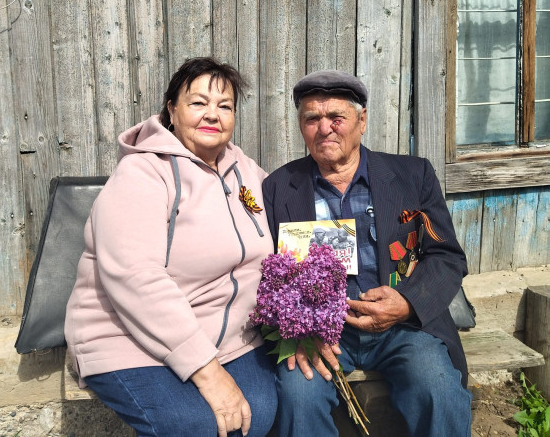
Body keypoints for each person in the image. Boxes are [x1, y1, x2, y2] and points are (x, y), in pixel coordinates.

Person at [65, 58, 277, 437]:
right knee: (192, 425)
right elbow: (136, 279)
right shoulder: (142, 173)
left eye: (224, 106)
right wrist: (207, 371)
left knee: (256, 415)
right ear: (172, 110)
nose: (212, 114)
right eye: (198, 103)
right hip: (127, 336)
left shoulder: (242, 167)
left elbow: (280, 222)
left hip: (227, 336)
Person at [262, 70, 472, 437]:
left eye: (336, 118)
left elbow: (446, 255)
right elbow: (266, 271)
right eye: (312, 118)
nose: (324, 128)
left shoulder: (412, 175)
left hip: (404, 327)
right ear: (301, 126)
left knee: (437, 388)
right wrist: (294, 331)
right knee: (298, 398)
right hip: (321, 336)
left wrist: (406, 302)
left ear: (362, 121)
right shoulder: (279, 187)